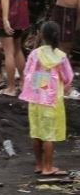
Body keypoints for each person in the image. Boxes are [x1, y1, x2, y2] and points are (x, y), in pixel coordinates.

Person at [20, 21, 73, 176]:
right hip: (51, 100)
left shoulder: (35, 54)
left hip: (35, 97)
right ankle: (48, 167)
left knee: (37, 133)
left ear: (41, 35)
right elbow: (68, 78)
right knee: (49, 135)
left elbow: (27, 73)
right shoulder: (60, 57)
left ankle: (39, 164)